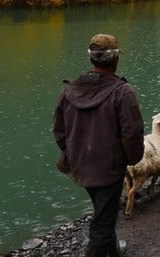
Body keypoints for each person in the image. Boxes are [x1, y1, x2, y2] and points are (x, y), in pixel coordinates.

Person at [52, 34, 145, 257]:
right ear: (115, 59)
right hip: (110, 168)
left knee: (104, 211)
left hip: (80, 165)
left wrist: (73, 153)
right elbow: (132, 133)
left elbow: (59, 130)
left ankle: (114, 251)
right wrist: (130, 159)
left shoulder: (69, 90)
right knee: (101, 224)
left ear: (92, 59)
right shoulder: (123, 92)